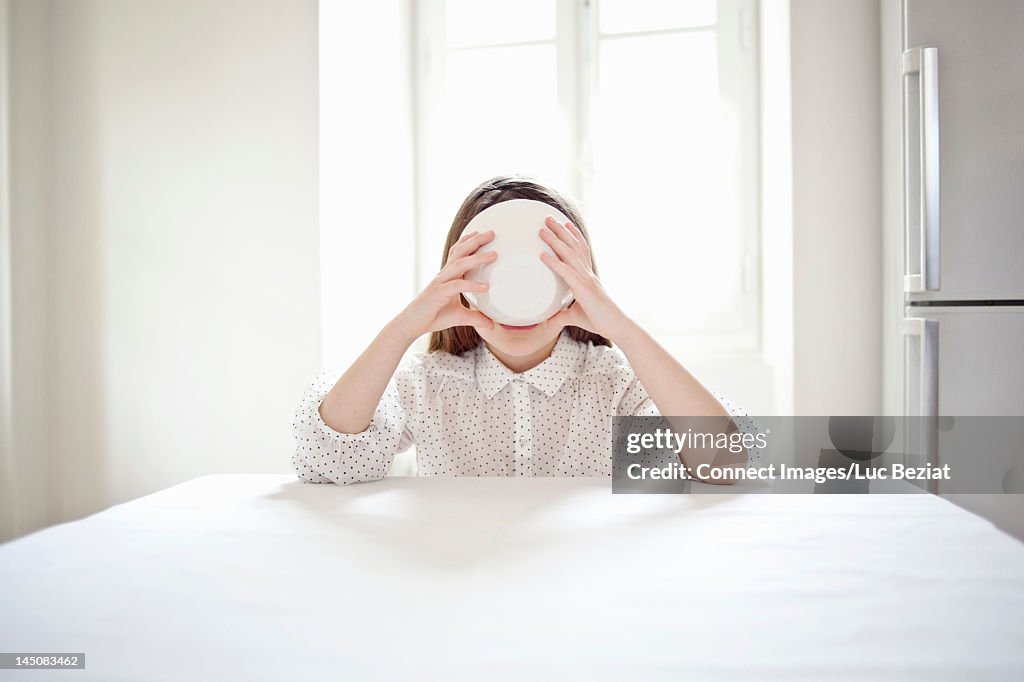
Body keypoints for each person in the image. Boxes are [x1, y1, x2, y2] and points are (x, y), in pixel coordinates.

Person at [292, 174, 755, 485]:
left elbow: (728, 462)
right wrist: (401, 330)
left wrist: (623, 328)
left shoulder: (615, 383)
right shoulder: (427, 383)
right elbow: (327, 461)